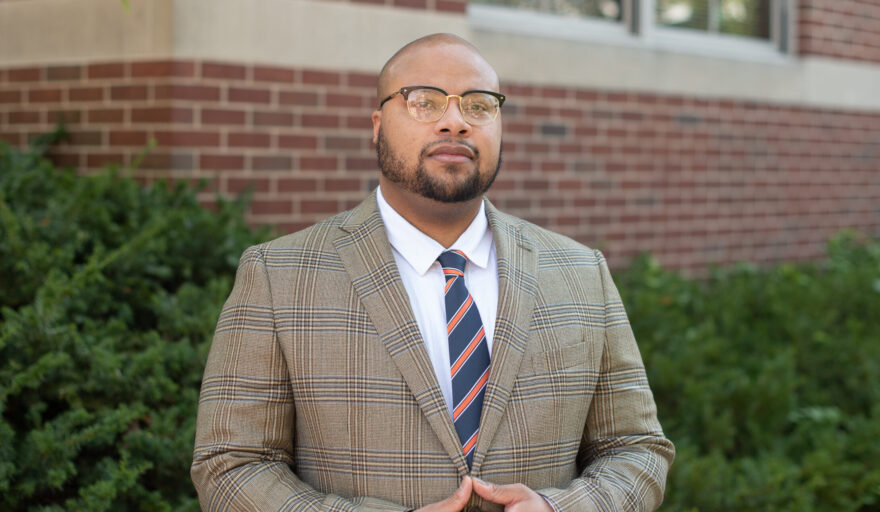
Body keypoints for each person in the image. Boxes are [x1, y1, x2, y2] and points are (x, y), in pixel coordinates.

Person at [191, 33, 674, 511]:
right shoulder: (279, 276)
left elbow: (635, 448)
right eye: (425, 102)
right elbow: (232, 464)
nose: (456, 122)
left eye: (479, 106)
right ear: (378, 125)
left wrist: (559, 509)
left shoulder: (580, 272)